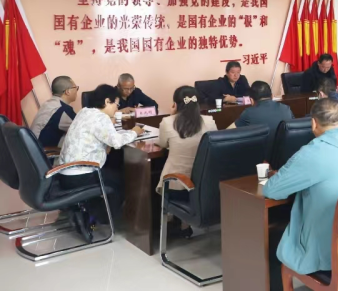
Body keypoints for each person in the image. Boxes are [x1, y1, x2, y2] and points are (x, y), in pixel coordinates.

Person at [263, 99, 338, 275]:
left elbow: (272, 190)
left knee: (274, 238)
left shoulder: (312, 152)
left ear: (313, 123)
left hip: (332, 250)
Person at [58, 84, 143, 237]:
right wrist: (135, 132)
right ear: (107, 101)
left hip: (65, 172)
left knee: (114, 168)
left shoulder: (84, 112)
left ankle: (85, 209)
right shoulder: (101, 118)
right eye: (116, 104)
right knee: (124, 180)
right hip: (81, 175)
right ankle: (94, 216)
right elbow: (116, 142)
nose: (117, 109)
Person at [158, 86, 217, 238]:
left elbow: (162, 143)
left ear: (175, 104)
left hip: (177, 185)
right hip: (205, 184)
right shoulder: (209, 121)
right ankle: (183, 224)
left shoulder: (167, 122)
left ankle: (177, 223)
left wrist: (172, 116)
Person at [235, 81, 294, 149]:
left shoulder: (248, 113)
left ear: (251, 100)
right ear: (272, 96)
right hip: (285, 152)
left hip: (259, 154)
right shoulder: (286, 108)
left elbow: (231, 132)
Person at [30, 75, 79, 147]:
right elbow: (82, 128)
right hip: (46, 152)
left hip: (33, 148)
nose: (77, 90)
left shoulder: (49, 104)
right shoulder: (63, 110)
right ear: (67, 91)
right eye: (76, 88)